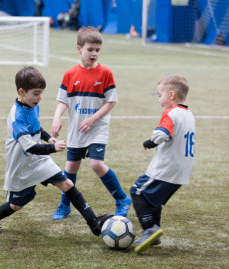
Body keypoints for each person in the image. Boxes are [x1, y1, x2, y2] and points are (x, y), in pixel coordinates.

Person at [0, 66, 113, 236]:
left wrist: (47, 137)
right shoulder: (16, 117)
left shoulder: (32, 105)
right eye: (36, 93)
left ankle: (93, 223)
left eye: (41, 93)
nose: (40, 97)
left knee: (67, 185)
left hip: (39, 160)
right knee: (17, 204)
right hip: (22, 166)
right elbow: (30, 147)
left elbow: (37, 127)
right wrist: (53, 147)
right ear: (22, 92)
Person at [51, 26, 131, 220]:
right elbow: (63, 100)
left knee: (96, 164)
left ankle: (122, 199)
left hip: (97, 127)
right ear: (79, 49)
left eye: (97, 50)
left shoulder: (105, 73)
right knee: (71, 168)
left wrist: (94, 118)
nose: (94, 53)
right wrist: (57, 117)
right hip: (77, 127)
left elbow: (111, 101)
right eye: (90, 49)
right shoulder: (70, 74)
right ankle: (65, 205)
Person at [132, 75, 195, 254]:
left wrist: (150, 142)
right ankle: (155, 238)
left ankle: (149, 228)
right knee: (154, 200)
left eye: (160, 95)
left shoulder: (171, 113)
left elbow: (162, 133)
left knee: (137, 191)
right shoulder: (189, 114)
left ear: (172, 95)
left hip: (166, 168)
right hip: (182, 171)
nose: (159, 99)